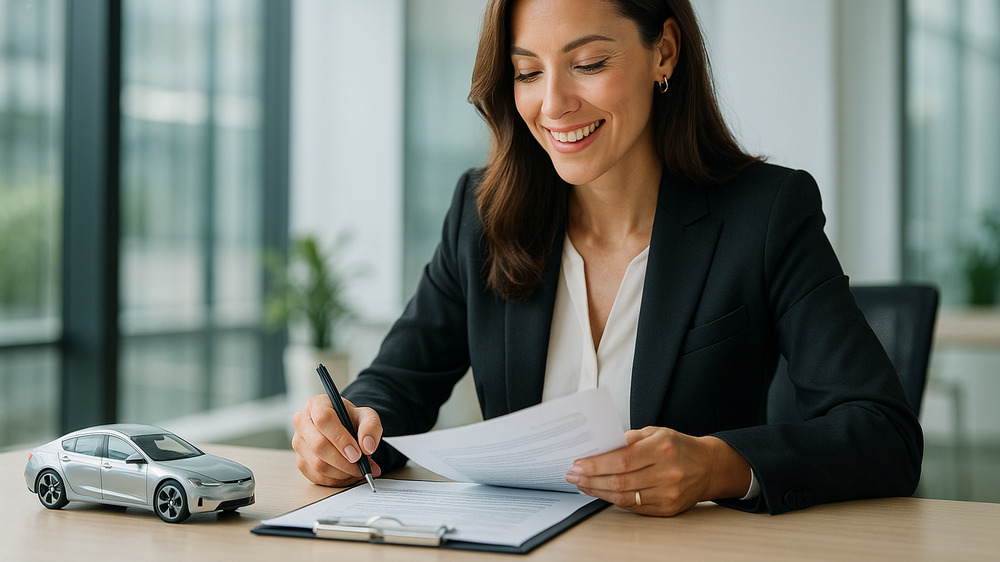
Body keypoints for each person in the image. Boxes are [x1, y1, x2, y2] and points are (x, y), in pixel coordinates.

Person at [292, 0, 922, 516]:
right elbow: (397, 383)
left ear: (664, 52)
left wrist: (717, 465)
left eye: (589, 63)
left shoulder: (765, 215)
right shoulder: (483, 214)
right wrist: (350, 429)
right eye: (528, 72)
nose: (554, 103)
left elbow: (881, 432)